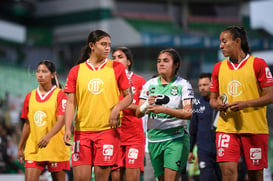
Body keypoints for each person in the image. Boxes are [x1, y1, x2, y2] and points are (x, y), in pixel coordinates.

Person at [63, 30, 132, 181]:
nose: (108, 48)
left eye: (109, 45)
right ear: (92, 46)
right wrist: (67, 128)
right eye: (103, 44)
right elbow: (70, 102)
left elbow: (129, 98)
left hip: (107, 132)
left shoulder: (117, 68)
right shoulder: (76, 71)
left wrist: (117, 108)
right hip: (82, 132)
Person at [210, 25, 273, 181]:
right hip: (226, 128)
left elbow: (270, 96)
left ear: (237, 41)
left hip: (255, 128)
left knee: (255, 176)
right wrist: (216, 104)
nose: (221, 45)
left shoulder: (258, 64)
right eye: (220, 42)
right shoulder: (218, 67)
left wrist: (245, 104)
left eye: (224, 41)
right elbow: (212, 98)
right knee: (228, 172)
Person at [136, 48, 194, 181]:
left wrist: (163, 110)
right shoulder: (149, 85)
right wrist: (146, 105)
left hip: (176, 138)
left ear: (176, 64)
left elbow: (188, 113)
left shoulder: (183, 84)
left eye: (166, 61)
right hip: (154, 139)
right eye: (159, 61)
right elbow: (138, 113)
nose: (161, 64)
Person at [17, 60, 70, 181]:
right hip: (34, 148)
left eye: (44, 72)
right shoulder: (29, 96)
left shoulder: (60, 95)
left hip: (56, 148)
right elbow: (27, 124)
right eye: (38, 71)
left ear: (53, 75)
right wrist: (20, 148)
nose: (40, 75)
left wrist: (48, 136)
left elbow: (61, 120)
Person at [110, 47, 146, 181]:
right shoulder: (109, 81)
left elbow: (142, 108)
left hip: (134, 137)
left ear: (129, 62)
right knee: (115, 177)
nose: (116, 60)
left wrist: (122, 104)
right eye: (113, 58)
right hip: (114, 135)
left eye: (120, 57)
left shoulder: (139, 81)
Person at [188, 72, 221, 181]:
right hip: (204, 151)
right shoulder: (197, 103)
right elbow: (193, 128)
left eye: (205, 85)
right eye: (200, 85)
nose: (202, 88)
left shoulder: (220, 102)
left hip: (221, 149)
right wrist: (190, 150)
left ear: (212, 84)